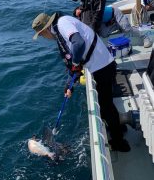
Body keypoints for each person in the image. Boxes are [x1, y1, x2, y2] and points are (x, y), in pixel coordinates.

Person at [32, 12, 131, 152]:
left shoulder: (62, 23)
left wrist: (76, 62)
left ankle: (119, 142)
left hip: (103, 66)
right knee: (107, 104)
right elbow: (73, 66)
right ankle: (119, 127)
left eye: (41, 34)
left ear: (46, 29)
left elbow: (79, 43)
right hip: (100, 66)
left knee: (106, 106)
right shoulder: (59, 31)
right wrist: (69, 86)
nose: (43, 37)